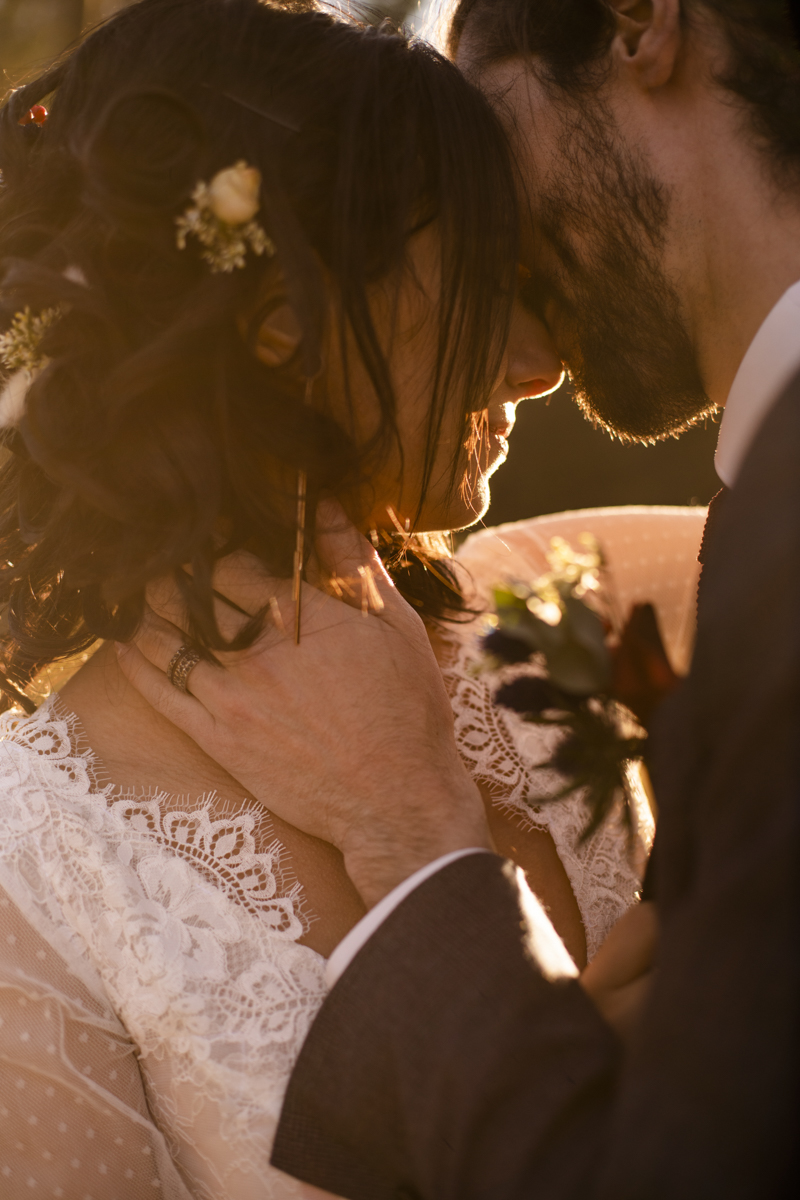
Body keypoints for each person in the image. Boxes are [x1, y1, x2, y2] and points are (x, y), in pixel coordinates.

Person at [0, 1, 688, 1196]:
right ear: (284, 328)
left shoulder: (550, 614)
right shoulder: (33, 872)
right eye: (483, 278)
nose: (541, 360)